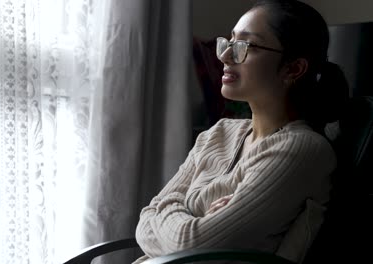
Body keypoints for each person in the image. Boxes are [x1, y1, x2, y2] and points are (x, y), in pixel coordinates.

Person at [133, 0, 349, 263]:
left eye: (246, 45)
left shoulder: (301, 148)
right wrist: (186, 218)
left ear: (293, 68)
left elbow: (193, 244)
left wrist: (170, 211)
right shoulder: (220, 132)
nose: (224, 56)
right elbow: (144, 222)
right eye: (230, 41)